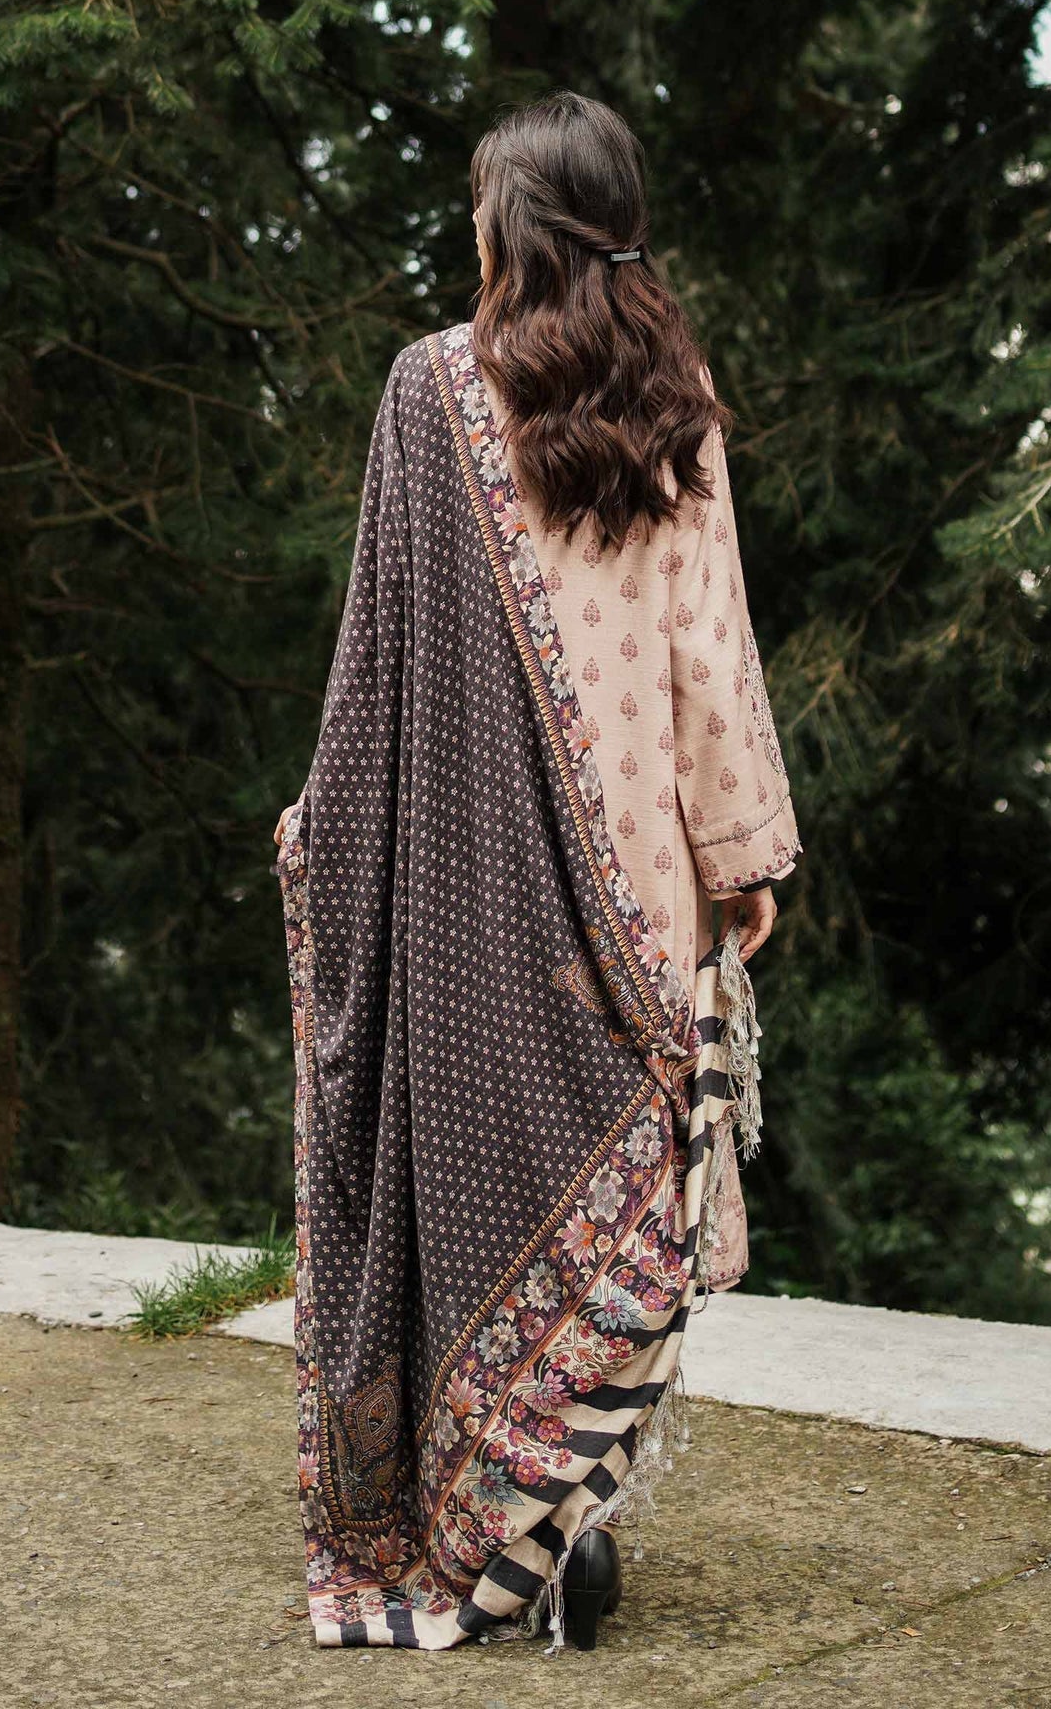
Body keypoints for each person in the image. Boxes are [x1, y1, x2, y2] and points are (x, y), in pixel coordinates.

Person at [270, 89, 802, 1655]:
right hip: (634, 901)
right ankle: (563, 1525)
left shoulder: (427, 389)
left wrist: (331, 823)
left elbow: (375, 654)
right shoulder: (676, 404)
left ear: (512, 227)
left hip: (459, 892)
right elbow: (713, 654)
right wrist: (741, 857)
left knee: (473, 1193)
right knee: (609, 1195)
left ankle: (483, 1521)